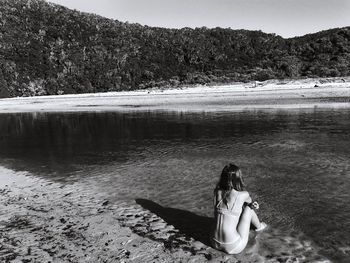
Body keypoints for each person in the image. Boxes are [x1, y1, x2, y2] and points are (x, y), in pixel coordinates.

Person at [211, 163, 267, 254]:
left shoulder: (217, 192)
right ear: (238, 179)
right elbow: (251, 204)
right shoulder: (243, 194)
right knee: (249, 209)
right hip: (233, 246)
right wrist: (255, 205)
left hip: (214, 242)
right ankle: (259, 227)